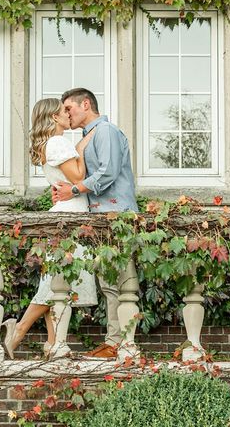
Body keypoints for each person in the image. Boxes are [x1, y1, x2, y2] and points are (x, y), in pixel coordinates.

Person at [2, 98, 98, 359]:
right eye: (64, 111)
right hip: (70, 217)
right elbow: (78, 177)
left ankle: (53, 343)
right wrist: (84, 143)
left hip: (67, 212)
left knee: (56, 282)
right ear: (54, 118)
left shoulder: (53, 143)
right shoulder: (56, 143)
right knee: (58, 284)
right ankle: (19, 330)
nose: (69, 114)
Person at [53, 88, 138, 359]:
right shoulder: (90, 135)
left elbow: (108, 172)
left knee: (121, 283)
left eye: (69, 108)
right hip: (101, 218)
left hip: (117, 217)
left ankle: (120, 343)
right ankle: (114, 341)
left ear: (86, 104)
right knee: (110, 284)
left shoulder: (106, 132)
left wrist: (74, 190)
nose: (66, 114)